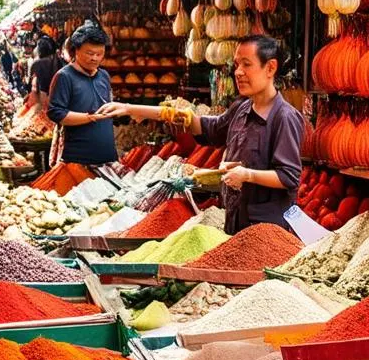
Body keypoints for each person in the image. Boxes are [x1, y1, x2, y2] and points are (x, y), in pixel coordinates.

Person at [97, 35, 304, 234]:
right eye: (237, 64)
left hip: (268, 230)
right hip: (236, 223)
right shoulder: (241, 109)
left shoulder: (284, 118)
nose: (238, 72)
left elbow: (288, 176)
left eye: (246, 64)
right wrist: (131, 108)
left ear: (270, 68)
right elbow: (202, 126)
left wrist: (247, 175)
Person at [47, 20, 118, 167]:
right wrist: (89, 118)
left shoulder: (103, 75)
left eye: (100, 54)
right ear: (76, 50)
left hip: (107, 156)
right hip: (77, 158)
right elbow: (56, 113)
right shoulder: (64, 76)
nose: (95, 58)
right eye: (90, 53)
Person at [29, 36, 58, 111]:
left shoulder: (39, 63)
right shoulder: (56, 58)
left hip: (47, 99)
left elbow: (42, 89)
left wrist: (42, 109)